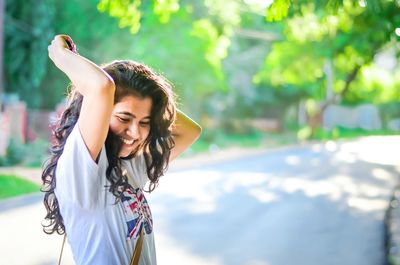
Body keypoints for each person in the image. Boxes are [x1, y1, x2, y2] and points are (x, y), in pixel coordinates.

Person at [41, 34, 201, 265]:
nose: (135, 133)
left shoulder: (130, 166)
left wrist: (151, 97)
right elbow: (101, 86)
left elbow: (190, 131)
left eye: (145, 122)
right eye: (124, 118)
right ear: (102, 111)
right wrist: (61, 54)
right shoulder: (82, 171)